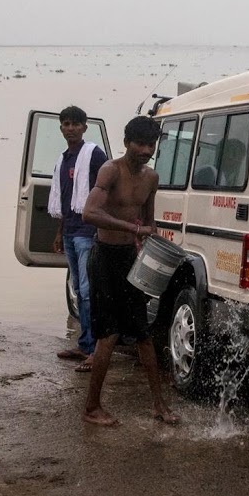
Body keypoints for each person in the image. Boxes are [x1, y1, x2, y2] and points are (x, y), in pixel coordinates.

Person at [81, 116, 179, 426]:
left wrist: (153, 241)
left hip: (129, 259)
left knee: (143, 334)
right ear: (127, 143)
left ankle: (159, 406)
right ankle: (91, 407)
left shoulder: (151, 178)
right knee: (108, 336)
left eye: (151, 145)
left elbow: (150, 222)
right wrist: (129, 227)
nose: (146, 150)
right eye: (140, 143)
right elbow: (89, 212)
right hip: (104, 258)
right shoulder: (111, 170)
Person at [49, 105, 107, 372]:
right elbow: (64, 198)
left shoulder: (94, 154)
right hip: (71, 230)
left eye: (75, 124)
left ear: (85, 126)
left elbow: (106, 190)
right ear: (61, 127)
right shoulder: (64, 159)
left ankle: (96, 350)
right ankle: (84, 344)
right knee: (78, 290)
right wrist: (59, 233)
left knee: (88, 292)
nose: (70, 128)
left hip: (88, 231)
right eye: (65, 124)